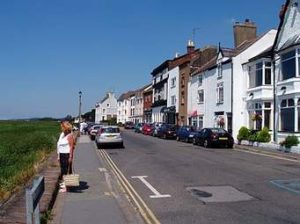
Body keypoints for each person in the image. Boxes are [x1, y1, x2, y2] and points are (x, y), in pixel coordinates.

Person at [57, 120, 75, 192]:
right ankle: (67, 186)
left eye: (62, 127)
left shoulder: (70, 136)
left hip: (67, 155)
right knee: (63, 171)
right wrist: (58, 156)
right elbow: (58, 145)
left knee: (65, 171)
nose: (61, 128)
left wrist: (70, 157)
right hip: (61, 155)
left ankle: (65, 188)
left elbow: (71, 147)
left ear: (65, 127)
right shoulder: (62, 134)